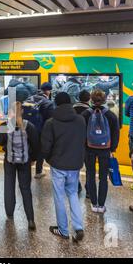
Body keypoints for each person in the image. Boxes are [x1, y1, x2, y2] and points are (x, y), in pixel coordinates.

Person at [41, 92, 86, 241]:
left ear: (56, 104)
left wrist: (49, 159)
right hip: (75, 165)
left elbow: (45, 147)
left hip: (58, 165)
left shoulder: (51, 122)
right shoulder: (80, 120)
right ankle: (78, 227)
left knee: (59, 196)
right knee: (73, 193)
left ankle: (63, 230)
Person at [0, 102, 38, 230]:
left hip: (9, 161)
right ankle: (30, 219)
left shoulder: (5, 126)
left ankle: (9, 214)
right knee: (25, 189)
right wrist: (32, 159)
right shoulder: (29, 126)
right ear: (22, 112)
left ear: (10, 112)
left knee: (9, 186)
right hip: (25, 162)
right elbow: (36, 144)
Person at [82, 90, 119, 213]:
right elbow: (115, 133)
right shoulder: (111, 115)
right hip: (105, 150)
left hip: (89, 149)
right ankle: (101, 205)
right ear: (104, 100)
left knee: (90, 175)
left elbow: (80, 133)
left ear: (91, 100)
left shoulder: (85, 114)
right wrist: (112, 148)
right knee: (103, 177)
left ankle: (93, 203)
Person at [27, 82, 54, 179]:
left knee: (29, 147)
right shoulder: (48, 103)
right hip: (40, 130)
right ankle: (38, 171)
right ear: (48, 91)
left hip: (27, 128)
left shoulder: (29, 98)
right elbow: (50, 120)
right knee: (40, 151)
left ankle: (26, 169)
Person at [73, 89, 91, 196]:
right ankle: (89, 189)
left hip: (74, 142)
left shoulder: (72, 109)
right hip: (87, 143)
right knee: (89, 167)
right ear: (89, 99)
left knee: (75, 167)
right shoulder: (90, 110)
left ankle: (77, 186)